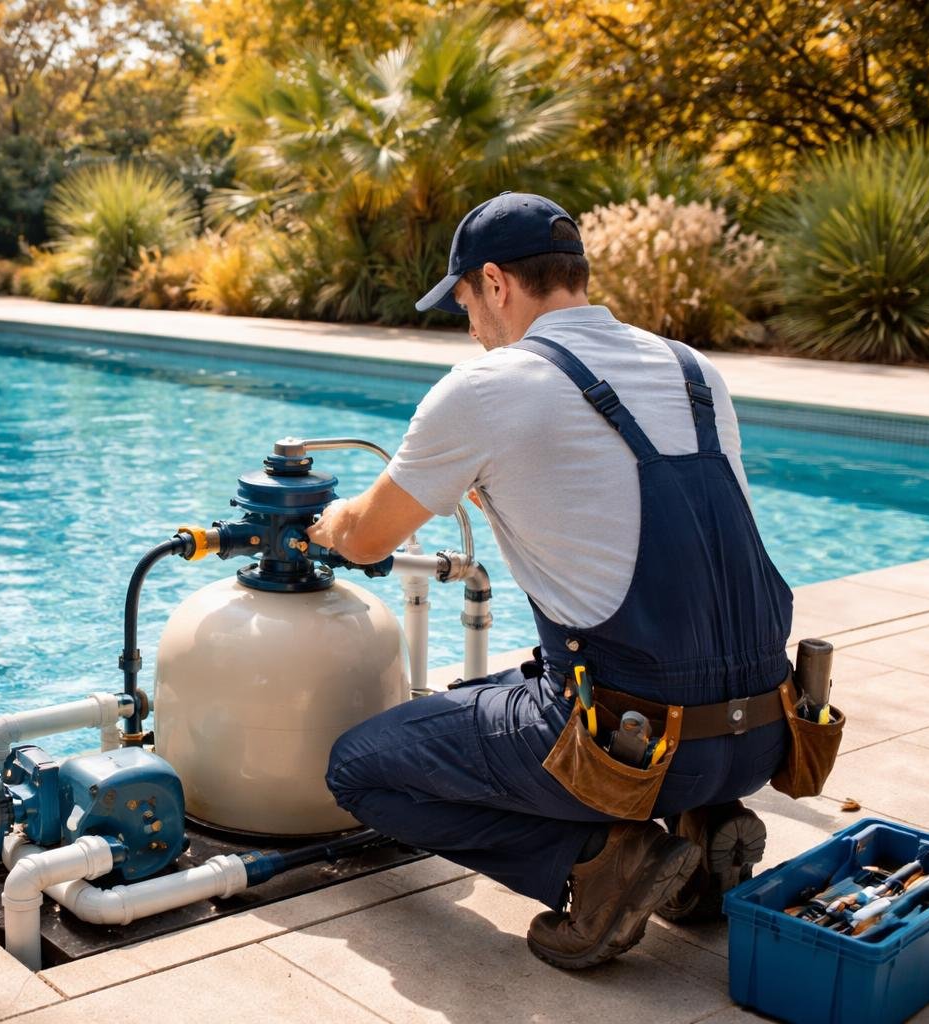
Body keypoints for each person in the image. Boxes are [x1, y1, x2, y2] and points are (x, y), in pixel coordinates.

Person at [306, 192, 793, 970]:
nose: (469, 325)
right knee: (478, 696)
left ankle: (600, 865)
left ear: (496, 283)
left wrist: (328, 525)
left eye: (464, 300)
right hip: (765, 730)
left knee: (359, 766)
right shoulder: (693, 370)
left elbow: (367, 539)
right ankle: (702, 833)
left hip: (627, 748)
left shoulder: (490, 387)